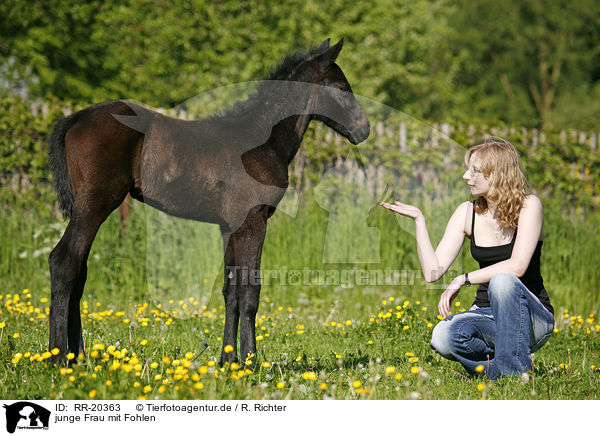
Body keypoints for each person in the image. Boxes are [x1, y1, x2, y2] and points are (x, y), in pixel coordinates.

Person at [380, 137, 554, 379]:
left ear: (496, 174)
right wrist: (419, 220)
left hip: (531, 318)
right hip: (486, 315)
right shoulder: (467, 213)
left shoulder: (529, 206)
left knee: (502, 280)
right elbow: (433, 272)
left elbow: (518, 265)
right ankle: (500, 368)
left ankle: (513, 375)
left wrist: (464, 278)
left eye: (474, 171)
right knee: (442, 337)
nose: (465, 176)